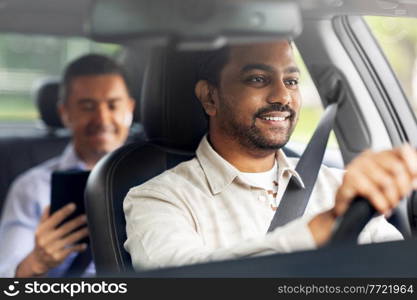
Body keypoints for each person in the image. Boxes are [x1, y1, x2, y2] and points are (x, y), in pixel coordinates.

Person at [123, 40, 417, 271]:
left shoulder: (339, 187)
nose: (282, 97)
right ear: (210, 97)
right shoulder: (158, 199)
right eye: (257, 79)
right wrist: (322, 229)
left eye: (291, 81)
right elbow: (180, 282)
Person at [0, 54, 136, 277]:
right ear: (65, 113)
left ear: (130, 108)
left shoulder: (160, 176)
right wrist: (36, 262)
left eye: (113, 105)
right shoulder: (32, 188)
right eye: (88, 106)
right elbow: (7, 276)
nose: (102, 119)